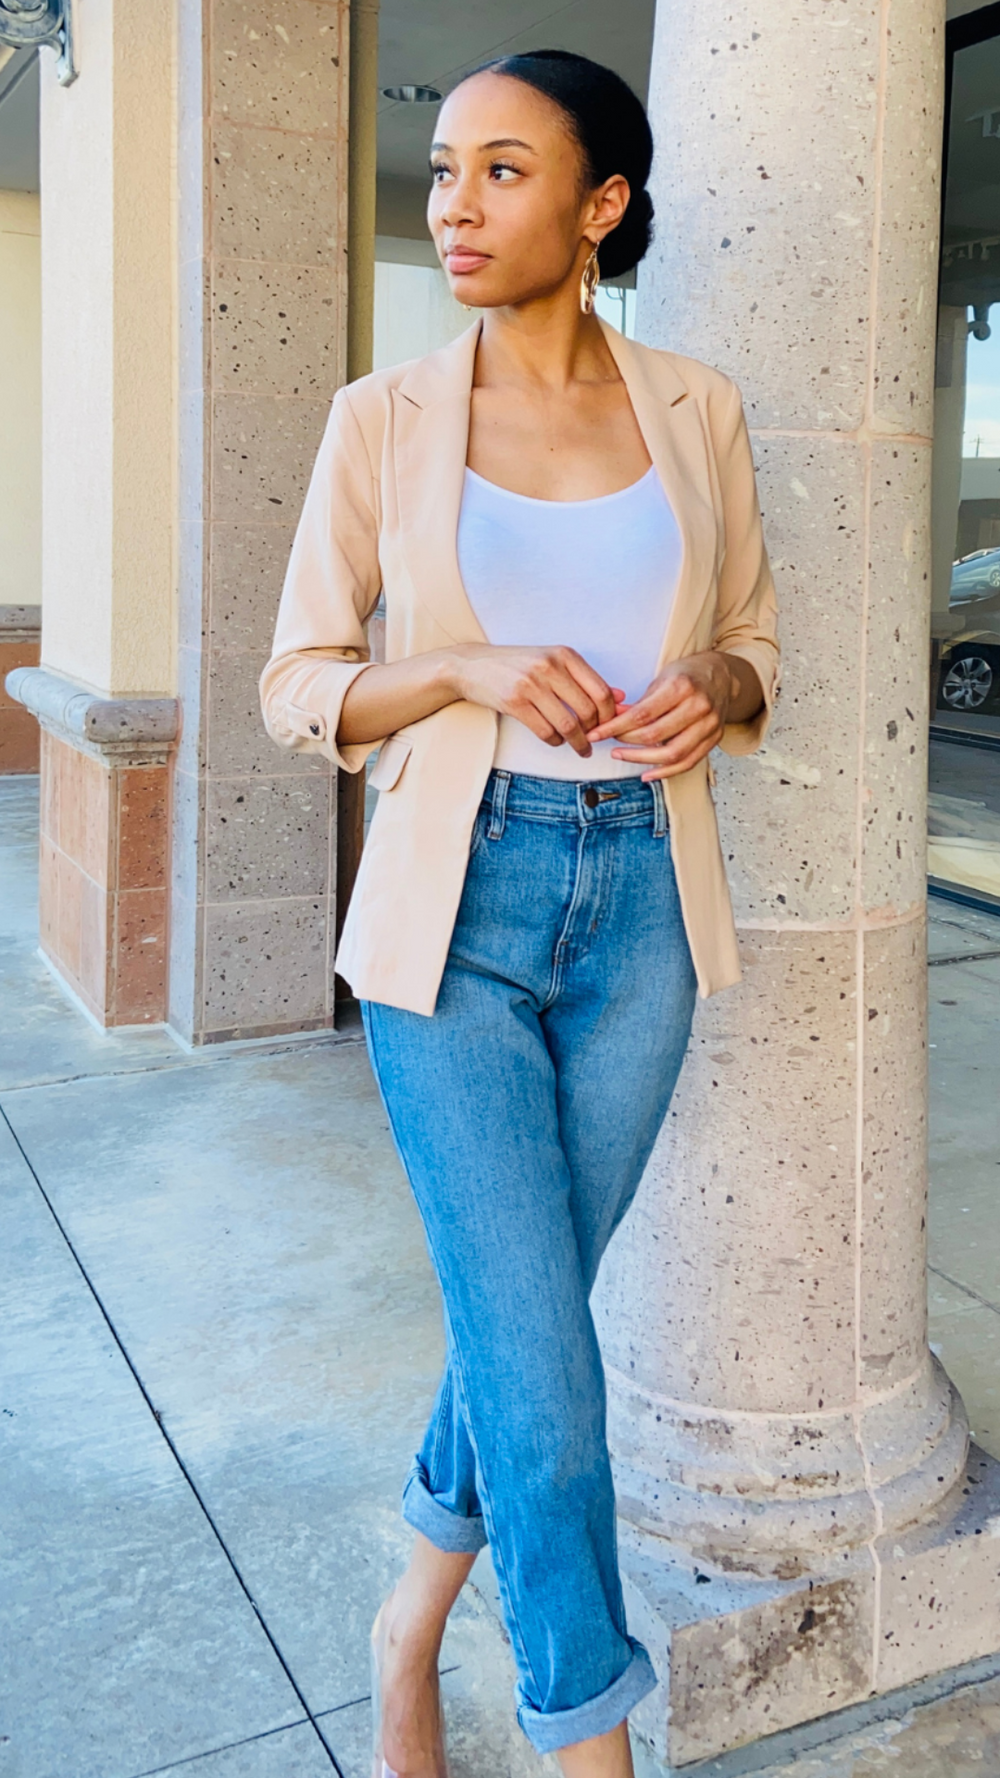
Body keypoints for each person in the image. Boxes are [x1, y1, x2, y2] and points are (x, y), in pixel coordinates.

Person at [260, 47, 779, 1778]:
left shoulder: (698, 410)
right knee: (551, 1374)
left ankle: (403, 1625)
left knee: (520, 1317)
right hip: (452, 919)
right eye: (442, 169)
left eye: (500, 170)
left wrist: (716, 677)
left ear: (601, 204)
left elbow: (761, 646)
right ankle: (583, 1742)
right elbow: (297, 684)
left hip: (642, 913)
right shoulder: (381, 419)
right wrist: (462, 665)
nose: (452, 204)